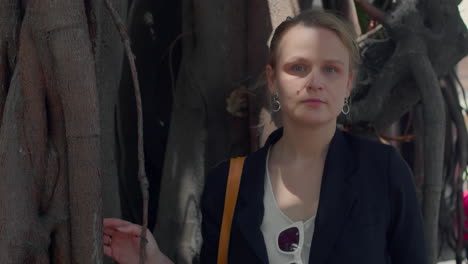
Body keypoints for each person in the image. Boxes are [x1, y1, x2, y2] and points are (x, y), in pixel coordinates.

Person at [103, 9, 426, 264]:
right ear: (272, 80)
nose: (314, 82)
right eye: (298, 67)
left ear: (348, 84)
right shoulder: (228, 184)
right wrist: (153, 260)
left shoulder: (383, 173)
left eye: (330, 69)